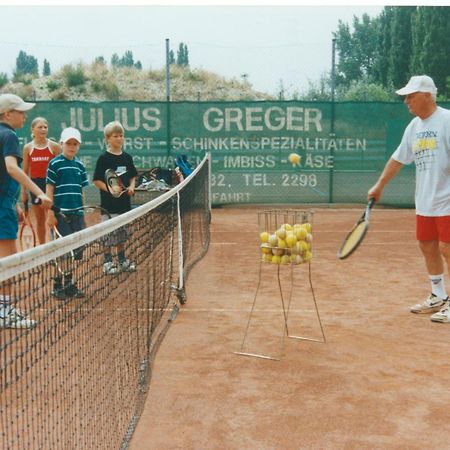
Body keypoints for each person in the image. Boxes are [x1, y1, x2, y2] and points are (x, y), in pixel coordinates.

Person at [368, 75, 450, 323]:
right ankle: (438, 295)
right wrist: (379, 185)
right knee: (427, 245)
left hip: (448, 200)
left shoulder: (447, 120)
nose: (406, 101)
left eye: (411, 95)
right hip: (425, 200)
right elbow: (398, 159)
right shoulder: (414, 127)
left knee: (448, 248)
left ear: (427, 95)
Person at [0, 93, 52, 329]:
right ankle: (5, 310)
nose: (24, 115)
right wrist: (38, 192)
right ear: (7, 114)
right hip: (2, 206)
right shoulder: (9, 135)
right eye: (20, 111)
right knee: (8, 260)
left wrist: (15, 202)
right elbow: (11, 168)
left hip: (5, 203)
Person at [46, 127, 89, 300]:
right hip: (60, 215)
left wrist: (82, 212)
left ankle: (69, 284)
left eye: (75, 144)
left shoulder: (80, 165)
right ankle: (57, 285)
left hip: (77, 215)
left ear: (79, 146)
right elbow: (49, 190)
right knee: (61, 252)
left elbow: (81, 191)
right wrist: (50, 213)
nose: (71, 147)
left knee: (74, 253)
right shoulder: (54, 164)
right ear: (61, 144)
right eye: (68, 143)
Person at [93, 120, 137, 274]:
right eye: (115, 136)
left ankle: (122, 260)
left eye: (121, 136)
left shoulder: (127, 157)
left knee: (122, 234)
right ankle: (107, 263)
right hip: (108, 206)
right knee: (107, 235)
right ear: (108, 138)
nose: (119, 138)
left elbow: (132, 176)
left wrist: (131, 187)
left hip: (124, 205)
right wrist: (111, 190)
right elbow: (96, 181)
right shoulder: (103, 158)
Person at [21, 117, 61, 244]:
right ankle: (43, 248)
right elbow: (25, 172)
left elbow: (61, 168)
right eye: (40, 127)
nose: (43, 129)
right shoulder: (28, 148)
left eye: (45, 127)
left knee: (54, 218)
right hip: (35, 187)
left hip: (52, 185)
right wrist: (23, 191)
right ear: (33, 129)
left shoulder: (54, 147)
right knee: (40, 219)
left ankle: (57, 247)